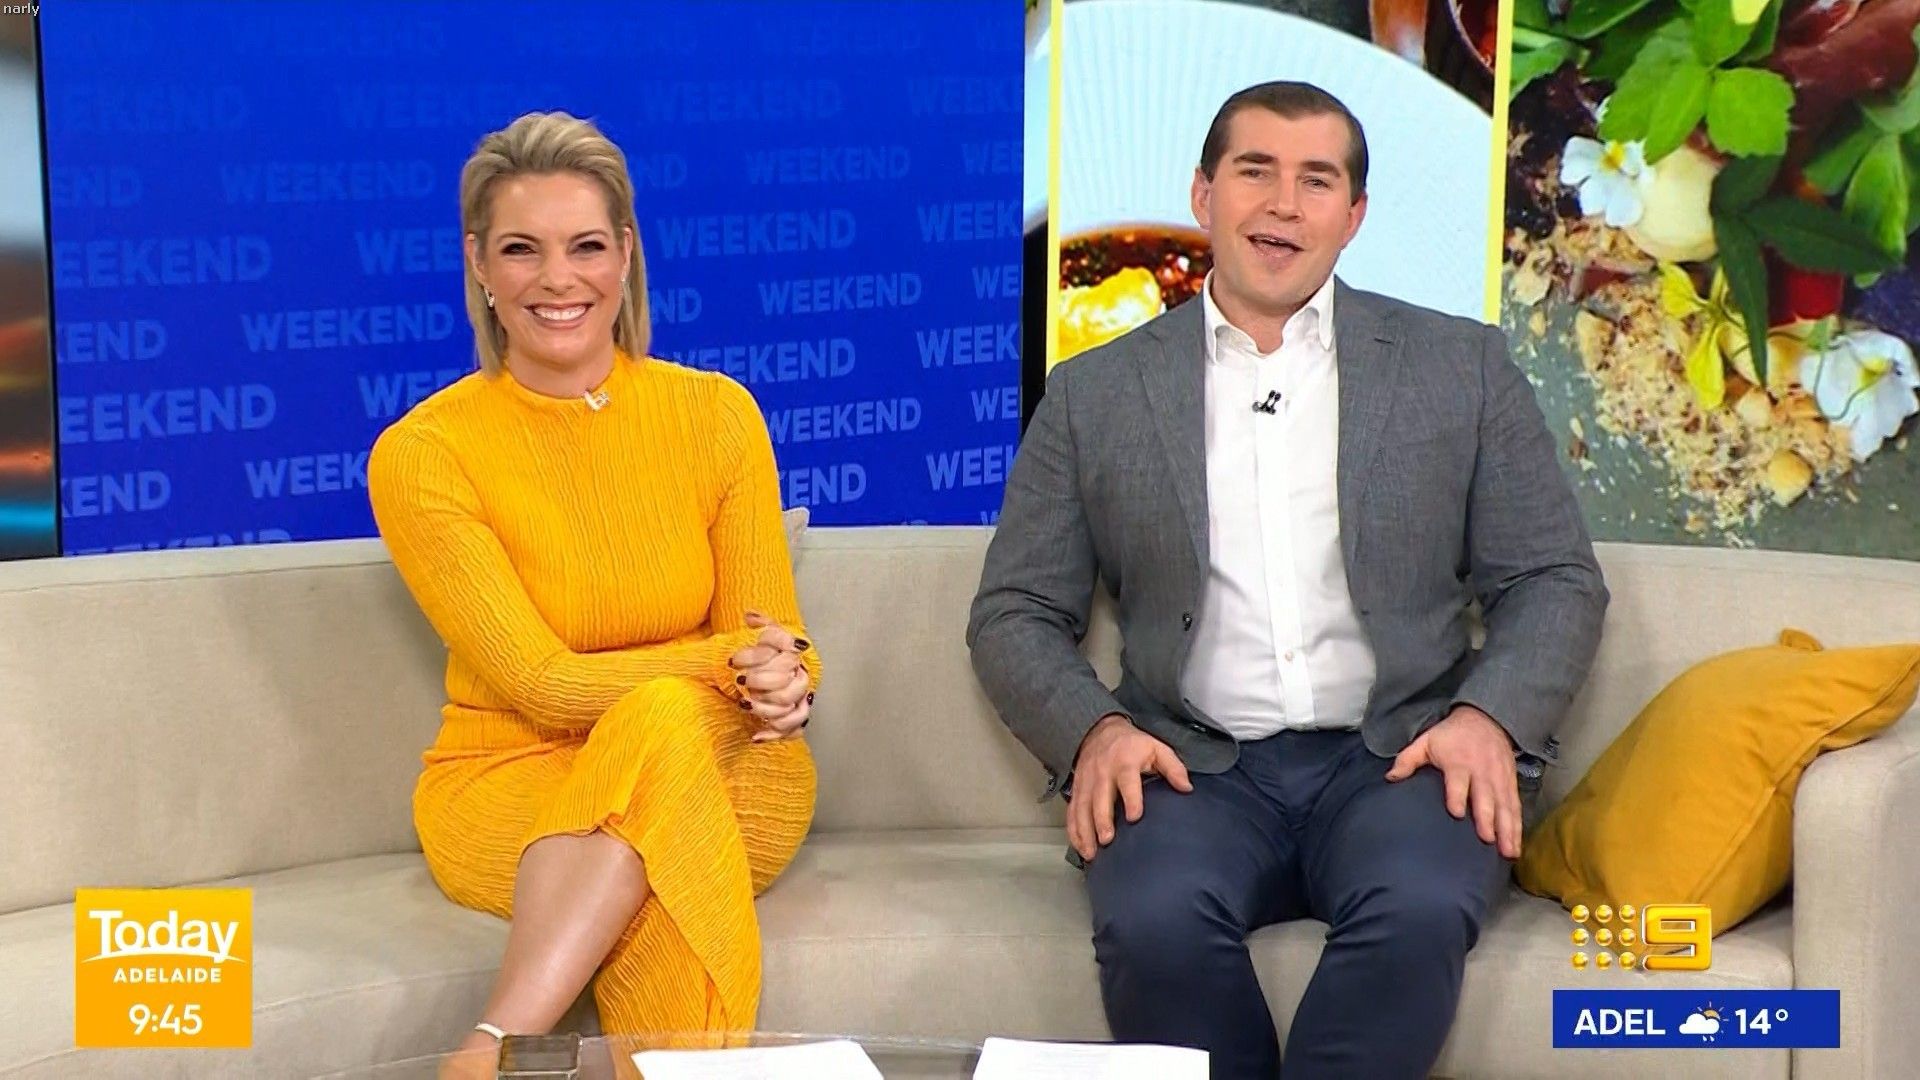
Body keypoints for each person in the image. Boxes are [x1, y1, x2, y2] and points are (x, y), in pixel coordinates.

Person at [968, 82, 1608, 1079]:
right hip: (1191, 769)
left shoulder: (1462, 367)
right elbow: (1014, 610)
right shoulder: (1094, 392)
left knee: (1419, 907)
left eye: (1317, 181)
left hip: (1401, 758)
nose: (1282, 204)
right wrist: (1094, 732)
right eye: (1255, 171)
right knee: (1152, 919)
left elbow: (1554, 578)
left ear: (1353, 216)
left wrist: (1488, 719)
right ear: (1203, 194)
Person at [367, 111, 818, 1074]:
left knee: (665, 732)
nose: (557, 279)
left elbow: (779, 639)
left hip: (733, 770)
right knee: (665, 837)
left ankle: (494, 1041)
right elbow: (541, 685)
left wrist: (787, 678)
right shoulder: (426, 454)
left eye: (585, 247)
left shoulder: (716, 415)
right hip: (512, 781)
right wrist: (733, 666)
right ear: (479, 265)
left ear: (625, 255)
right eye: (520, 250)